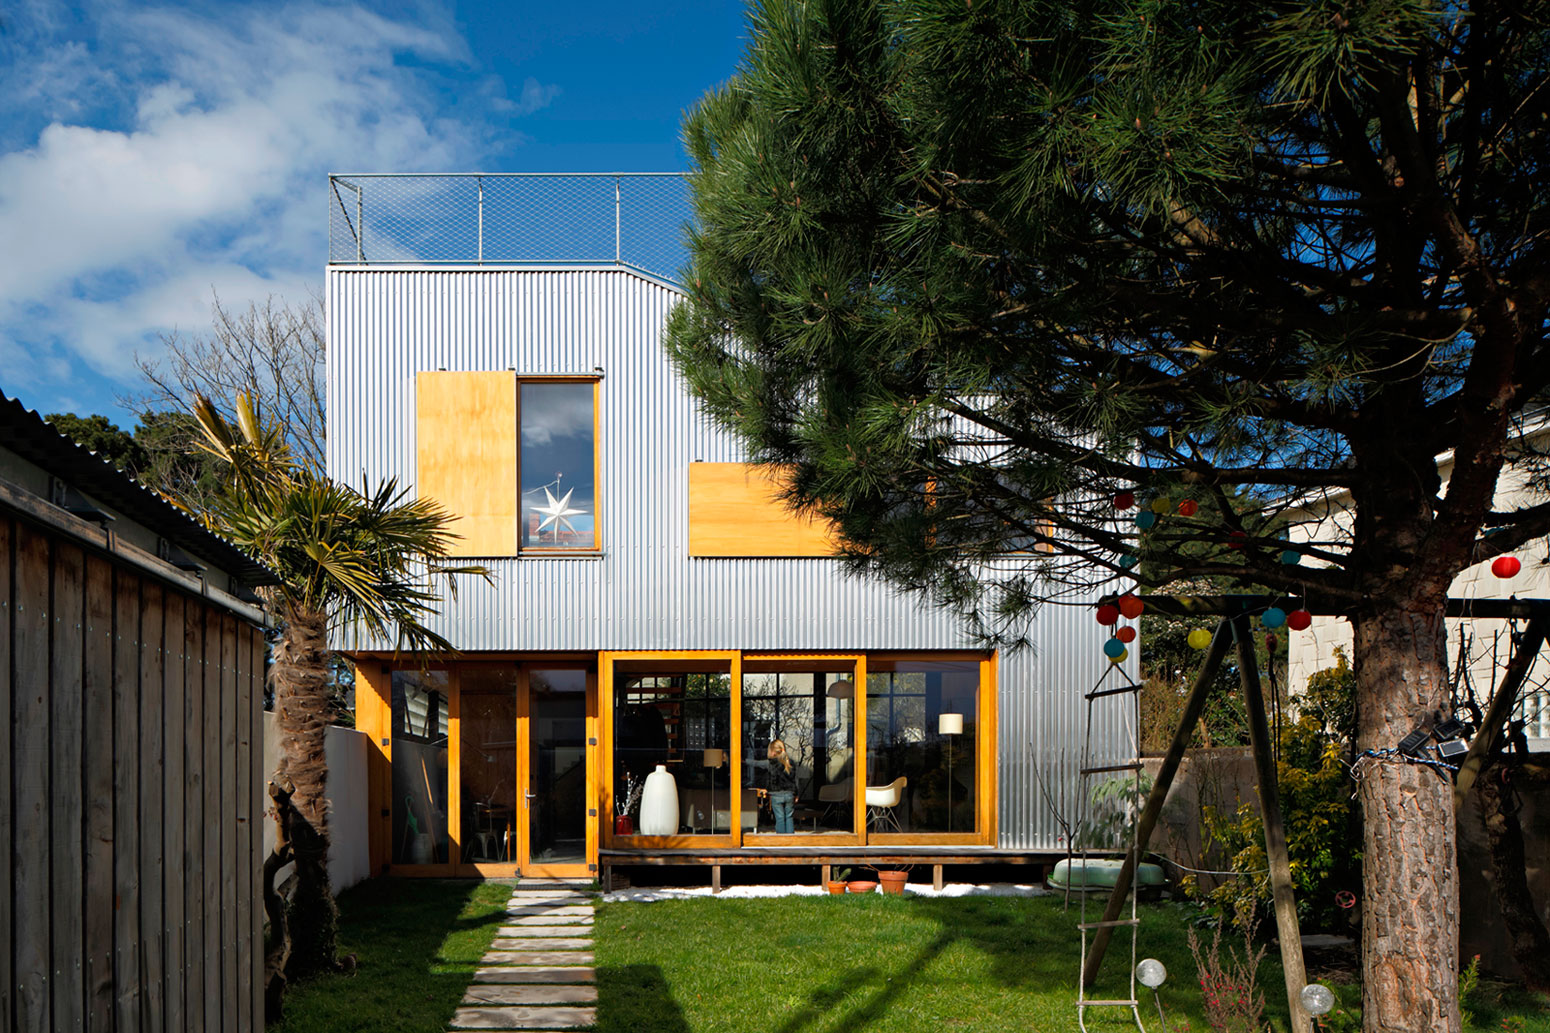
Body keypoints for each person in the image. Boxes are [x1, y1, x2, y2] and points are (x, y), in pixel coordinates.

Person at [766, 739, 798, 834]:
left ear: (772, 751)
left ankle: (781, 841)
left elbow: (756, 763)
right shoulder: (790, 762)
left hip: (776, 795)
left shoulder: (770, 763)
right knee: (789, 817)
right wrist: (796, 794)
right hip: (789, 794)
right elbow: (795, 780)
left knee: (780, 818)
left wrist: (744, 761)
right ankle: (790, 840)